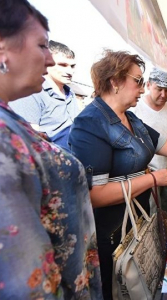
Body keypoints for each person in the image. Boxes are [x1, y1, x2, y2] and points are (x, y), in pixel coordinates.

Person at [68, 50, 167, 299]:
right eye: (138, 81)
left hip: (138, 219)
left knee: (140, 285)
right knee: (119, 287)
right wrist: (152, 179)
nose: (143, 88)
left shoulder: (130, 118)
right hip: (112, 233)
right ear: (115, 81)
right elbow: (95, 195)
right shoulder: (90, 124)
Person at [0, 0, 102, 298]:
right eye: (42, 45)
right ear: (3, 48)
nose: (48, 59)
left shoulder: (11, 121)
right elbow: (22, 275)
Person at [133, 68, 167, 220]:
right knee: (150, 215)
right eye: (159, 89)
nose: (164, 95)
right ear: (148, 85)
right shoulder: (135, 108)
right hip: (145, 173)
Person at [9, 40, 79, 151]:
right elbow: (29, 140)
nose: (70, 71)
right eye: (63, 65)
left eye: (72, 66)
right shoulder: (31, 93)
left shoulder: (71, 94)